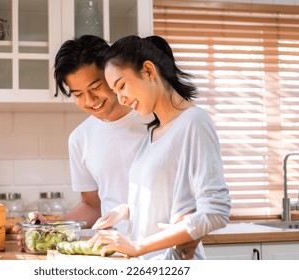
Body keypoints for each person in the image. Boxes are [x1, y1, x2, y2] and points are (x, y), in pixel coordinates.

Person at [16, 35, 200, 259]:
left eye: (96, 87)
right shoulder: (80, 138)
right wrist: (48, 228)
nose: (90, 100)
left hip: (172, 254)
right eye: (78, 94)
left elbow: (196, 200)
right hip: (117, 256)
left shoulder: (159, 117)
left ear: (112, 74)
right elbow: (93, 206)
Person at [88, 35, 231, 260]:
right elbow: (161, 199)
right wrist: (123, 211)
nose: (122, 99)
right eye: (116, 93)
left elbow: (215, 211)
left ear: (148, 70)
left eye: (122, 86)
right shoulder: (153, 132)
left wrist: (137, 247)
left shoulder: (194, 122)